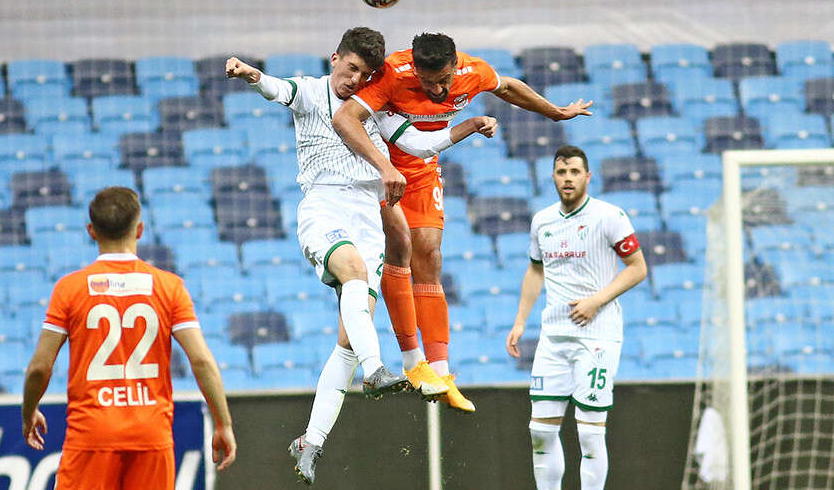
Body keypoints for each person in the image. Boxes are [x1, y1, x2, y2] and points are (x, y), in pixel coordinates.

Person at [224, 27, 499, 485]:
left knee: (349, 341)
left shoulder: (376, 109)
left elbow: (420, 145)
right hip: (324, 207)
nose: (355, 80)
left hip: (367, 219)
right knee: (352, 273)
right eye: (351, 68)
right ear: (334, 59)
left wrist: (469, 127)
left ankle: (310, 441)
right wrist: (249, 74)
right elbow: (275, 88)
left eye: (366, 74)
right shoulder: (310, 92)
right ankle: (376, 371)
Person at [331, 32, 594, 413]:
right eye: (428, 82)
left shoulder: (474, 71)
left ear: (455, 65)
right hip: (379, 171)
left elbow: (508, 87)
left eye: (444, 80)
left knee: (430, 256)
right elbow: (346, 117)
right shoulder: (392, 74)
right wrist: (383, 166)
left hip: (423, 171)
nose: (437, 90)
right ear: (415, 70)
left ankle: (441, 373)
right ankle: (412, 361)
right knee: (400, 246)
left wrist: (554, 112)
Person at [21, 186, 237, 489]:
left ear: (91, 231)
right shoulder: (170, 287)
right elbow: (201, 360)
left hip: (91, 435)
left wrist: (29, 412)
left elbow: (39, 368)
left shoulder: (69, 289)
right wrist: (223, 423)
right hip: (151, 434)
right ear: (140, 230)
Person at [505, 145, 648, 490]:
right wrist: (520, 321)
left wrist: (596, 301)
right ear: (553, 177)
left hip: (597, 336)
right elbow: (535, 271)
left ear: (587, 177)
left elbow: (638, 268)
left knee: (590, 434)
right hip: (553, 337)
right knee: (540, 432)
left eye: (574, 172)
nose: (567, 178)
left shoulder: (610, 216)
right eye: (561, 172)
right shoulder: (542, 221)